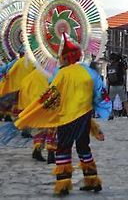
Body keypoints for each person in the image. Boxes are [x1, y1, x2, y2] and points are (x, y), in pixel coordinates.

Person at [13, 33, 111, 196]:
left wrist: (34, 112)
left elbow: (50, 96)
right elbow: (100, 93)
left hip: (67, 118)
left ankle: (64, 184)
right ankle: (92, 180)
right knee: (83, 147)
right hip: (85, 116)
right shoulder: (88, 73)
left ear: (65, 58)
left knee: (63, 149)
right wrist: (100, 109)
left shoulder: (61, 74)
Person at [106, 53, 128, 120]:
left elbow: (107, 78)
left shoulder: (109, 66)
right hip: (120, 85)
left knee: (110, 101)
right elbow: (124, 70)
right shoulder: (120, 64)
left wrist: (107, 87)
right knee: (125, 100)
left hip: (112, 86)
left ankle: (110, 115)